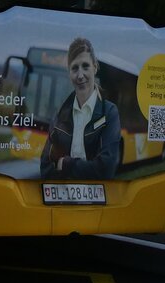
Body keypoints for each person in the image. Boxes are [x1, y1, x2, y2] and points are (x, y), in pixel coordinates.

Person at [40, 36, 121, 180]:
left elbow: (105, 169)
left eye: (85, 66)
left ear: (95, 67)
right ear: (69, 73)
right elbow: (45, 169)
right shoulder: (60, 116)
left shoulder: (109, 113)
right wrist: (86, 168)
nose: (80, 75)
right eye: (74, 68)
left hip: (96, 201)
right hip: (63, 200)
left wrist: (66, 164)